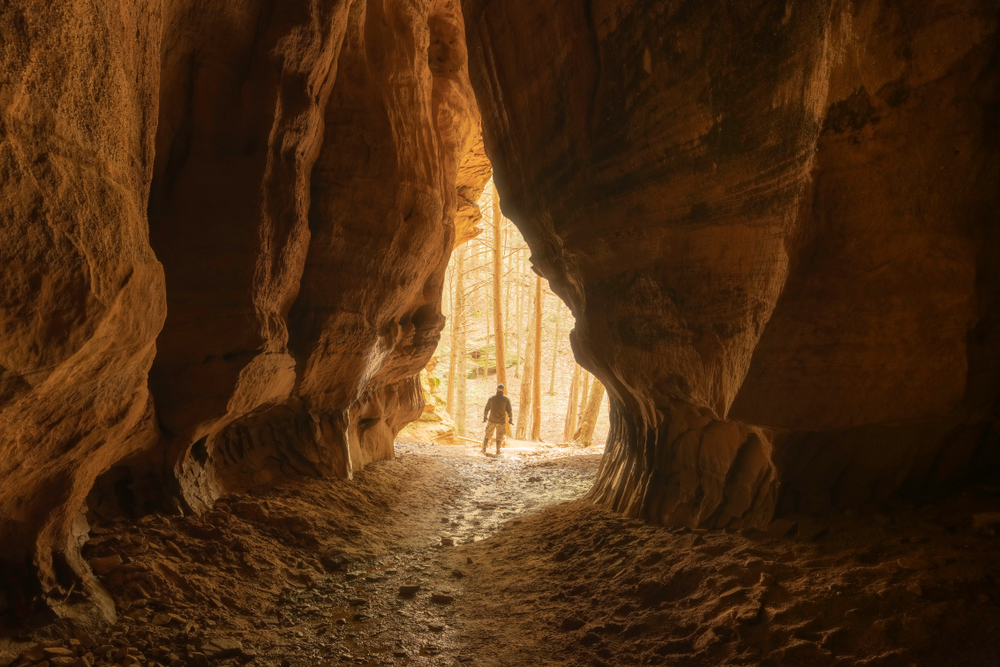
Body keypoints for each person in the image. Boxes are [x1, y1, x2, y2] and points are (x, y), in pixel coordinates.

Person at [482, 384, 513, 455]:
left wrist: (485, 417)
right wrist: (510, 419)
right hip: (501, 421)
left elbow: (486, 408)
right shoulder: (506, 399)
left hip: (492, 420)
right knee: (499, 436)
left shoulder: (491, 398)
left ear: (497, 389)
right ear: (503, 390)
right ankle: (498, 451)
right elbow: (509, 410)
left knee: (487, 434)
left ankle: (484, 448)